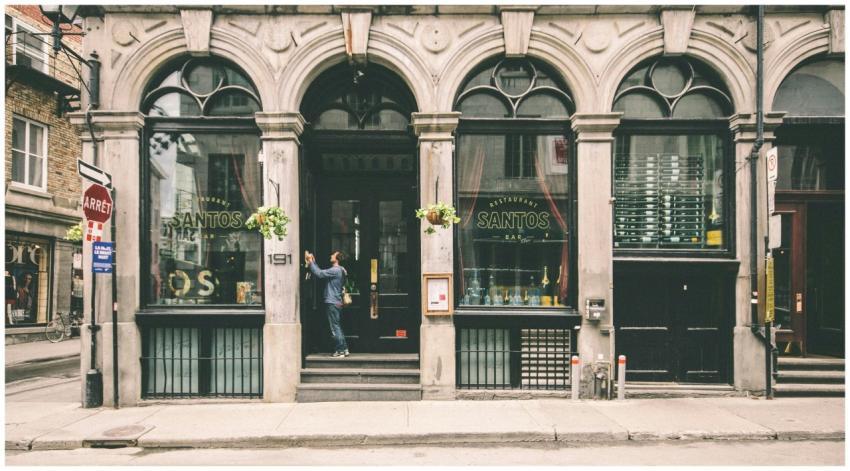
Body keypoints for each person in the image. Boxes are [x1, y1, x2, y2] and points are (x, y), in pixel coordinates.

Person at [305, 250, 349, 357]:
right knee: (337, 326)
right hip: (337, 301)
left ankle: (340, 350)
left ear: (337, 259)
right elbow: (320, 271)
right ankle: (344, 349)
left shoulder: (335, 270)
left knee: (334, 327)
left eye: (333, 255)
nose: (331, 255)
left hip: (332, 301)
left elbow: (320, 274)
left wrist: (310, 262)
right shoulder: (341, 270)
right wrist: (313, 262)